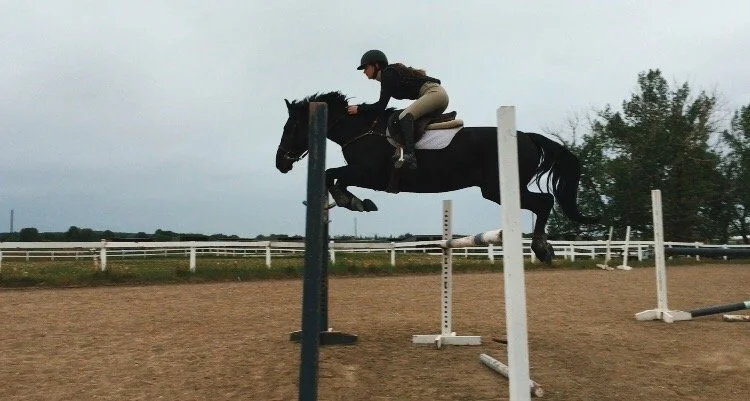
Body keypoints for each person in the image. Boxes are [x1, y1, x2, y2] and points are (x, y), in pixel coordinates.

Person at [347, 50, 449, 170]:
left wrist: (359, 109)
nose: (364, 71)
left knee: (404, 117)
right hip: (436, 96)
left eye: (366, 67)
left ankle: (410, 155)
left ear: (376, 65)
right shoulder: (389, 74)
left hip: (434, 94)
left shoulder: (388, 74)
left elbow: (380, 106)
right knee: (397, 117)